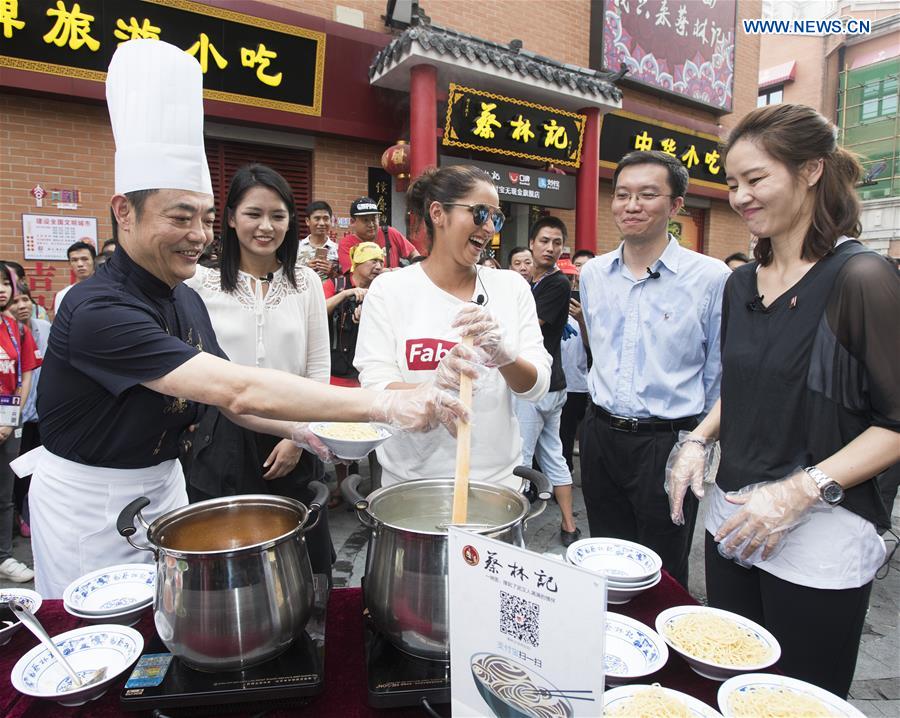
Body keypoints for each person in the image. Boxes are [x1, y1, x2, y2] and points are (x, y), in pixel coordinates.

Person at [19, 40, 465, 598]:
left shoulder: (181, 296)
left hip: (164, 486)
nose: (199, 235)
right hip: (92, 502)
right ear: (123, 211)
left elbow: (237, 395)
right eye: (180, 217)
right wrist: (388, 403)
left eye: (204, 218)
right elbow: (237, 389)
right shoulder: (97, 310)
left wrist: (303, 431)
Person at [667, 104, 900, 698]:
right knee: (731, 681)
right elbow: (744, 385)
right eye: (734, 182)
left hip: (821, 528)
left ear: (811, 171)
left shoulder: (861, 278)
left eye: (756, 179)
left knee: (799, 696)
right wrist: (699, 440)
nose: (740, 196)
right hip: (734, 516)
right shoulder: (741, 282)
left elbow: (894, 422)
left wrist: (801, 490)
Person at [578, 150, 730, 587]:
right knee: (606, 559)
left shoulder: (711, 278)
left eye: (647, 194)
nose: (631, 205)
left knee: (663, 568)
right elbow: (598, 350)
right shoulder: (593, 275)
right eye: (622, 194)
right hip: (600, 434)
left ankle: (665, 652)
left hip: (667, 443)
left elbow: (718, 374)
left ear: (676, 205)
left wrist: (699, 443)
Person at [354, 164, 552, 489]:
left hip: (494, 483)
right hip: (410, 482)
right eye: (479, 213)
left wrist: (504, 356)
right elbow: (375, 387)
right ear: (438, 213)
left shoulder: (510, 288)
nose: (489, 227)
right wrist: (432, 390)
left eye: (496, 217)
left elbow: (536, 387)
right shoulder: (390, 290)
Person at [185, 163, 335, 578]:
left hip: (294, 429)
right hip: (224, 438)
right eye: (253, 214)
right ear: (231, 218)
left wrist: (298, 437)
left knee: (301, 553)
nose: (265, 226)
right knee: (235, 555)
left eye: (277, 215)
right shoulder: (200, 284)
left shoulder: (304, 283)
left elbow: (318, 368)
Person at [515, 218, 580, 545]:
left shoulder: (555, 284)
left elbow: (530, 327)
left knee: (520, 459)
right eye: (544, 241)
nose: (550, 248)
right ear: (532, 243)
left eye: (556, 242)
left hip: (536, 386)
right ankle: (569, 525)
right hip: (549, 385)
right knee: (554, 454)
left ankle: (516, 537)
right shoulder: (536, 283)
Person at [322, 241, 384, 506]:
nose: (379, 267)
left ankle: (376, 490)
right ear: (357, 264)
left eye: (381, 261)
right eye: (373, 262)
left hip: (368, 374)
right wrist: (348, 296)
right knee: (340, 433)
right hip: (337, 371)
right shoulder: (334, 285)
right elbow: (317, 310)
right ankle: (341, 486)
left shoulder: (383, 288)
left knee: (374, 431)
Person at [0, 265, 41, 582]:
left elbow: (23, 374)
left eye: (5, 284)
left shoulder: (17, 329)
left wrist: (8, 420)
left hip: (6, 424)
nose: (2, 290)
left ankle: (3, 556)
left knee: (5, 493)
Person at [9, 282, 50, 540]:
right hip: (16, 415)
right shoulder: (10, 333)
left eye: (25, 299)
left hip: (41, 412)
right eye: (16, 301)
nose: (22, 306)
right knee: (12, 472)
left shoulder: (44, 329)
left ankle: (25, 513)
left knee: (33, 470)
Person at [338, 197, 420, 273]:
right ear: (352, 222)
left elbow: (414, 254)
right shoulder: (346, 244)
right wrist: (392, 271)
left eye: (374, 219)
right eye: (365, 220)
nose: (371, 224)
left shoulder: (389, 233)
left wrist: (414, 269)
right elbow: (356, 273)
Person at [52, 240, 96, 318]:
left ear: (94, 260)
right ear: (69, 264)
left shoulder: (108, 289)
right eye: (74, 260)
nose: (80, 264)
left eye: (84, 259)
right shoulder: (63, 295)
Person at [299, 201, 339, 279]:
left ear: (330, 220)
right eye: (317, 218)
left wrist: (332, 273)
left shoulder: (338, 249)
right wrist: (305, 270)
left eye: (326, 219)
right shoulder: (296, 248)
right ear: (307, 221)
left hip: (328, 291)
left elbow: (344, 279)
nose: (322, 223)